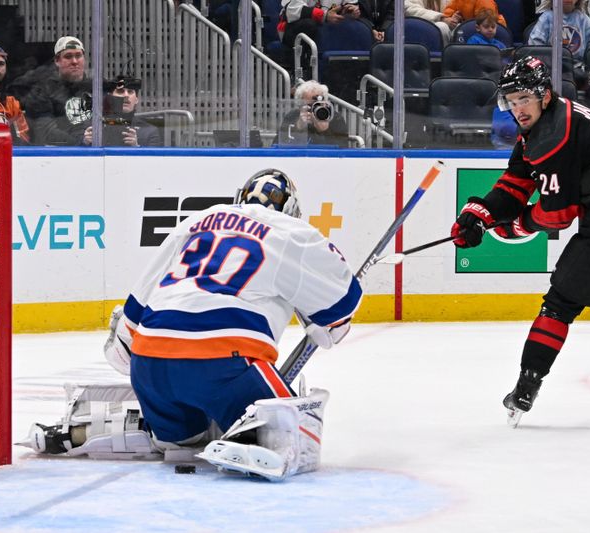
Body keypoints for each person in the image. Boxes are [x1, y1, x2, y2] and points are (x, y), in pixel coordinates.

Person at [24, 169, 363, 481]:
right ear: (292, 209)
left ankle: (99, 433)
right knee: (292, 434)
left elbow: (127, 334)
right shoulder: (294, 232)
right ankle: (247, 437)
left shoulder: (198, 221)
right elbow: (339, 313)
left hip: (150, 366)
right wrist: (322, 321)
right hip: (226, 364)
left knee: (182, 442)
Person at [450, 56, 590, 427]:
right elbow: (516, 182)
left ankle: (526, 388)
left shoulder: (553, 135)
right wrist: (478, 214)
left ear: (543, 95)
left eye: (524, 98)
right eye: (511, 99)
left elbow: (558, 214)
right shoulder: (552, 120)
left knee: (559, 305)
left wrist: (511, 229)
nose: (517, 108)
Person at [23, 36, 93, 146]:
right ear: (57, 61)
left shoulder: (96, 88)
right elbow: (46, 134)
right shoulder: (42, 91)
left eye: (78, 56)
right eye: (68, 56)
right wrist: (81, 142)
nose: (74, 61)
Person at [89, 75, 162, 147]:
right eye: (120, 91)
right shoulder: (94, 127)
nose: (126, 95)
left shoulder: (149, 131)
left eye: (130, 92)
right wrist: (85, 142)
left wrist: (136, 148)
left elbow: (154, 158)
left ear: (136, 100)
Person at [275, 80, 349, 147]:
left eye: (318, 104)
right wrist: (298, 128)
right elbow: (278, 145)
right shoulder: (293, 116)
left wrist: (325, 131)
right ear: (300, 104)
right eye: (310, 105)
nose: (314, 109)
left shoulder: (334, 117)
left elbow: (343, 149)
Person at [527, 0, 590, 67]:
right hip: (550, 68)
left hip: (577, 68)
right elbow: (535, 46)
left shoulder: (583, 19)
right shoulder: (547, 17)